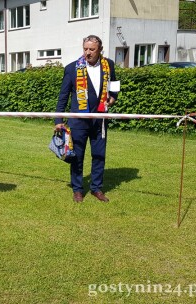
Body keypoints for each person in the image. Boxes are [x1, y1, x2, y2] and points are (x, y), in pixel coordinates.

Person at [55, 35, 118, 203]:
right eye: (85, 49)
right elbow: (63, 96)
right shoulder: (71, 68)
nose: (88, 53)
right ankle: (77, 189)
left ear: (100, 50)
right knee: (77, 156)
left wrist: (113, 97)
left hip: (100, 120)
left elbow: (115, 83)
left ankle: (96, 188)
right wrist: (58, 120)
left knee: (99, 155)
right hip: (78, 121)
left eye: (92, 49)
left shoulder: (109, 65)